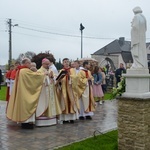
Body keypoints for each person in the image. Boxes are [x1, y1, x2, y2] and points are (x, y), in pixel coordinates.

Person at [6, 58, 46, 129]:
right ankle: (27, 123)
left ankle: (24, 123)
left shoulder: (20, 70)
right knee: (27, 107)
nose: (30, 64)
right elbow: (34, 77)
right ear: (26, 63)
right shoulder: (25, 71)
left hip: (22, 92)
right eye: (29, 63)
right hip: (26, 93)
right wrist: (43, 74)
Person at [36, 58, 61, 126]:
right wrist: (45, 75)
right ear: (42, 64)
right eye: (46, 64)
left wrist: (52, 77)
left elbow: (55, 78)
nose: (48, 65)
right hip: (43, 92)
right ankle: (42, 120)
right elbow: (37, 80)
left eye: (49, 64)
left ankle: (52, 119)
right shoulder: (39, 71)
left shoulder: (50, 70)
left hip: (51, 90)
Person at [56, 58, 79, 123]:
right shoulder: (61, 70)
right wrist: (59, 80)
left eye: (67, 62)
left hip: (71, 89)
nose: (66, 63)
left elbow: (76, 78)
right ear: (63, 63)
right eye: (65, 62)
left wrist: (69, 76)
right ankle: (65, 119)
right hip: (63, 90)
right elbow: (58, 80)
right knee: (64, 102)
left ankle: (72, 118)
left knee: (71, 102)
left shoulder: (72, 70)